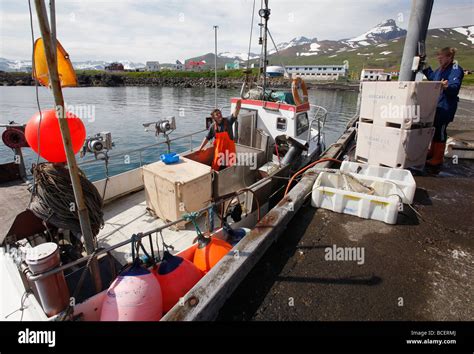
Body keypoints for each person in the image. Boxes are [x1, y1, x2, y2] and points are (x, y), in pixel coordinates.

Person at [423, 47, 464, 167]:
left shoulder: (455, 70)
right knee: (435, 129)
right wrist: (426, 68)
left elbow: (454, 87)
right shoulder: (441, 69)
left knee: (441, 130)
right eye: (438, 57)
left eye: (441, 57)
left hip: (446, 106)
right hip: (437, 104)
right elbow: (433, 78)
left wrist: (446, 87)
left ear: (450, 57)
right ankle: (432, 152)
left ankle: (438, 157)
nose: (439, 59)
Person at [198, 99, 242, 170]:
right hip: (219, 151)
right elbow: (207, 137)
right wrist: (200, 148)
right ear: (214, 117)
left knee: (231, 166)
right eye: (217, 114)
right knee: (215, 165)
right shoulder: (213, 126)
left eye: (220, 113)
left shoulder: (228, 121)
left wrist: (237, 107)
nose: (219, 115)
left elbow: (235, 114)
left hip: (229, 149)